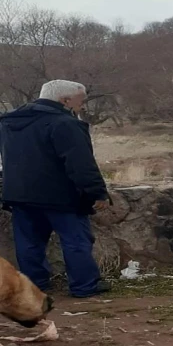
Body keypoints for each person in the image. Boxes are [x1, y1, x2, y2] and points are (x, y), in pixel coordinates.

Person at [0, 80, 111, 298]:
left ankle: (35, 286)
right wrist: (97, 192)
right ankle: (84, 286)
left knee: (29, 244)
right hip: (61, 196)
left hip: (20, 194)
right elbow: (80, 164)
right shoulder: (65, 123)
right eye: (81, 101)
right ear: (65, 100)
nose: (83, 106)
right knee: (75, 241)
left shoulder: (8, 121)